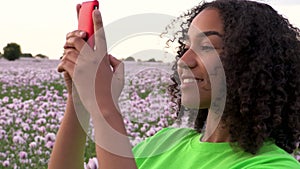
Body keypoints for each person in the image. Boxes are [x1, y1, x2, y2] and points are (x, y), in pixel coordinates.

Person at [48, 0, 300, 168]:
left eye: (206, 47)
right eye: (187, 46)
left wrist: (103, 104)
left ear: (254, 63)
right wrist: (80, 98)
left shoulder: (273, 165)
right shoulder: (166, 142)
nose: (185, 60)